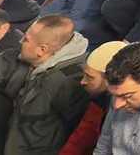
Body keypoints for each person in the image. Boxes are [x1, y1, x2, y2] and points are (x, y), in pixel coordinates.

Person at [7, 14, 90, 155]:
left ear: (42, 50)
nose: (21, 41)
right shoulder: (39, 68)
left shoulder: (62, 81)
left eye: (26, 39)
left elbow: (71, 129)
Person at [60, 40, 128, 155]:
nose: (83, 82)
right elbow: (83, 136)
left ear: (109, 79)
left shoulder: (131, 109)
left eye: (90, 77)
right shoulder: (99, 99)